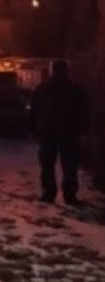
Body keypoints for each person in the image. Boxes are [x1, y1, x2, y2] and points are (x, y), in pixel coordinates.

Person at [27, 60, 90, 206]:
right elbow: (84, 111)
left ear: (52, 70)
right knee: (70, 165)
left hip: (48, 132)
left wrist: (33, 129)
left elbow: (33, 110)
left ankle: (48, 193)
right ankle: (70, 195)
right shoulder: (75, 89)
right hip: (69, 133)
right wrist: (84, 130)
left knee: (47, 165)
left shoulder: (43, 88)